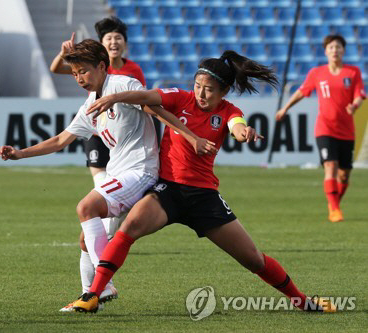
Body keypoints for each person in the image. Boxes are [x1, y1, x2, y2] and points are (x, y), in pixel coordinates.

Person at [71, 50, 336, 313]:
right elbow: (145, 96)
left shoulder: (230, 111)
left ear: (224, 91)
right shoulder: (180, 98)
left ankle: (301, 301)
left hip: (203, 198)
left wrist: (245, 133)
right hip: (167, 191)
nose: (200, 93)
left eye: (208, 89)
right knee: (128, 230)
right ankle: (94, 294)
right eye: (197, 86)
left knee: (253, 259)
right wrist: (113, 97)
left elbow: (237, 127)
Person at [0, 39, 213, 312]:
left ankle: (103, 285)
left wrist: (191, 137)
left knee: (86, 207)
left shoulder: (123, 85)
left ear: (102, 66)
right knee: (85, 239)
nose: (79, 78)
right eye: (75, 74)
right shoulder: (91, 104)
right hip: (120, 173)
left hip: (141, 171)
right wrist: (19, 154)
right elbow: (61, 140)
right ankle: (89, 297)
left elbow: (156, 110)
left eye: (83, 72)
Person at [49, 17, 151, 310]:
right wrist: (66, 53)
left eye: (118, 38)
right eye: (109, 38)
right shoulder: (90, 81)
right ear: (103, 45)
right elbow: (59, 68)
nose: (114, 42)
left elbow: (146, 104)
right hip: (102, 134)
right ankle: (91, 294)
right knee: (92, 219)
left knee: (94, 213)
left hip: (129, 144)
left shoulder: (128, 75)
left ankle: (100, 286)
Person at [276, 35, 365, 223]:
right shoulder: (317, 73)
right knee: (330, 166)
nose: (335, 50)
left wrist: (354, 106)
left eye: (338, 47)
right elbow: (302, 91)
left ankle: (334, 203)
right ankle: (334, 209)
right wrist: (285, 107)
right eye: (332, 47)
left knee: (344, 174)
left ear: (343, 50)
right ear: (326, 51)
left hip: (347, 130)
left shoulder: (353, 72)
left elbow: (359, 94)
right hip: (325, 128)